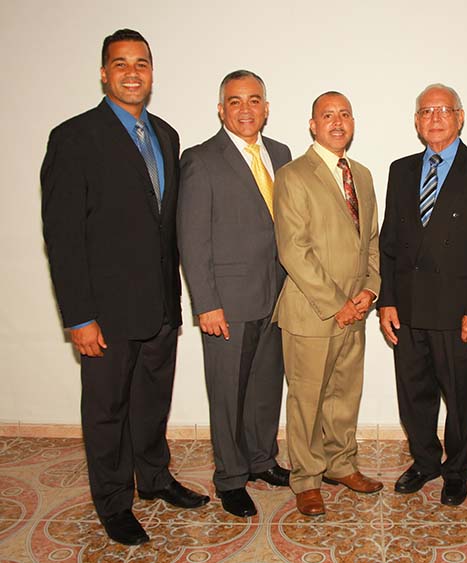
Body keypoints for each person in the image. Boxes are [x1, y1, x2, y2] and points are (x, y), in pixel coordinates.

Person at [40, 29, 208, 546]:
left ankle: (154, 479)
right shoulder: (74, 137)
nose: (132, 73)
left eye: (141, 63)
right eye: (121, 64)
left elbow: (166, 226)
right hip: (106, 313)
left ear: (152, 73)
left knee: (152, 402)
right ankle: (114, 503)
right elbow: (63, 237)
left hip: (159, 305)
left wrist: (177, 301)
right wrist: (79, 317)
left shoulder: (167, 135)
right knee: (107, 410)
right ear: (103, 73)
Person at [378, 84, 467, 506]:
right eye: (425, 111)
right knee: (413, 394)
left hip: (458, 313)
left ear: (460, 116)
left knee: (459, 397)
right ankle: (424, 461)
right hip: (409, 308)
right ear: (416, 121)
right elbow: (390, 243)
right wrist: (387, 301)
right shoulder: (400, 170)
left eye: (443, 110)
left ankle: (457, 470)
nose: (434, 118)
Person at [178, 70, 292, 518]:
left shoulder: (280, 154)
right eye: (235, 101)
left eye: (254, 100)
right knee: (227, 392)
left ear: (266, 107)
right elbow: (192, 239)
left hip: (277, 295)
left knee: (265, 388)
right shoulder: (201, 159)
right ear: (221, 109)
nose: (246, 109)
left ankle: (262, 460)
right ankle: (230, 477)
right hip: (227, 301)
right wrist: (206, 303)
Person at [272, 91, 383, 517]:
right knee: (307, 399)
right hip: (312, 312)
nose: (337, 122)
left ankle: (341, 465)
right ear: (313, 125)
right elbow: (293, 250)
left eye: (345, 114)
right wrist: (337, 304)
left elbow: (370, 240)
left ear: (353, 122)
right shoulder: (294, 175)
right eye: (327, 115)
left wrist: (370, 291)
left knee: (343, 395)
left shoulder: (364, 175)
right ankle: (306, 479)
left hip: (356, 309)